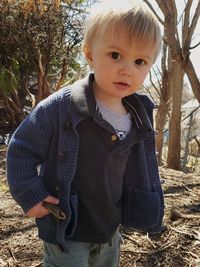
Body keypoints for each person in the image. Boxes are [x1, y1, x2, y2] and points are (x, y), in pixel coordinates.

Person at [7, 0, 164, 266]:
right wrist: (30, 194)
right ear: (90, 54)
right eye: (115, 55)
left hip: (109, 227)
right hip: (67, 228)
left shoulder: (138, 115)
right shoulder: (61, 107)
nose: (127, 69)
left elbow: (137, 170)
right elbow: (21, 148)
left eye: (140, 61)